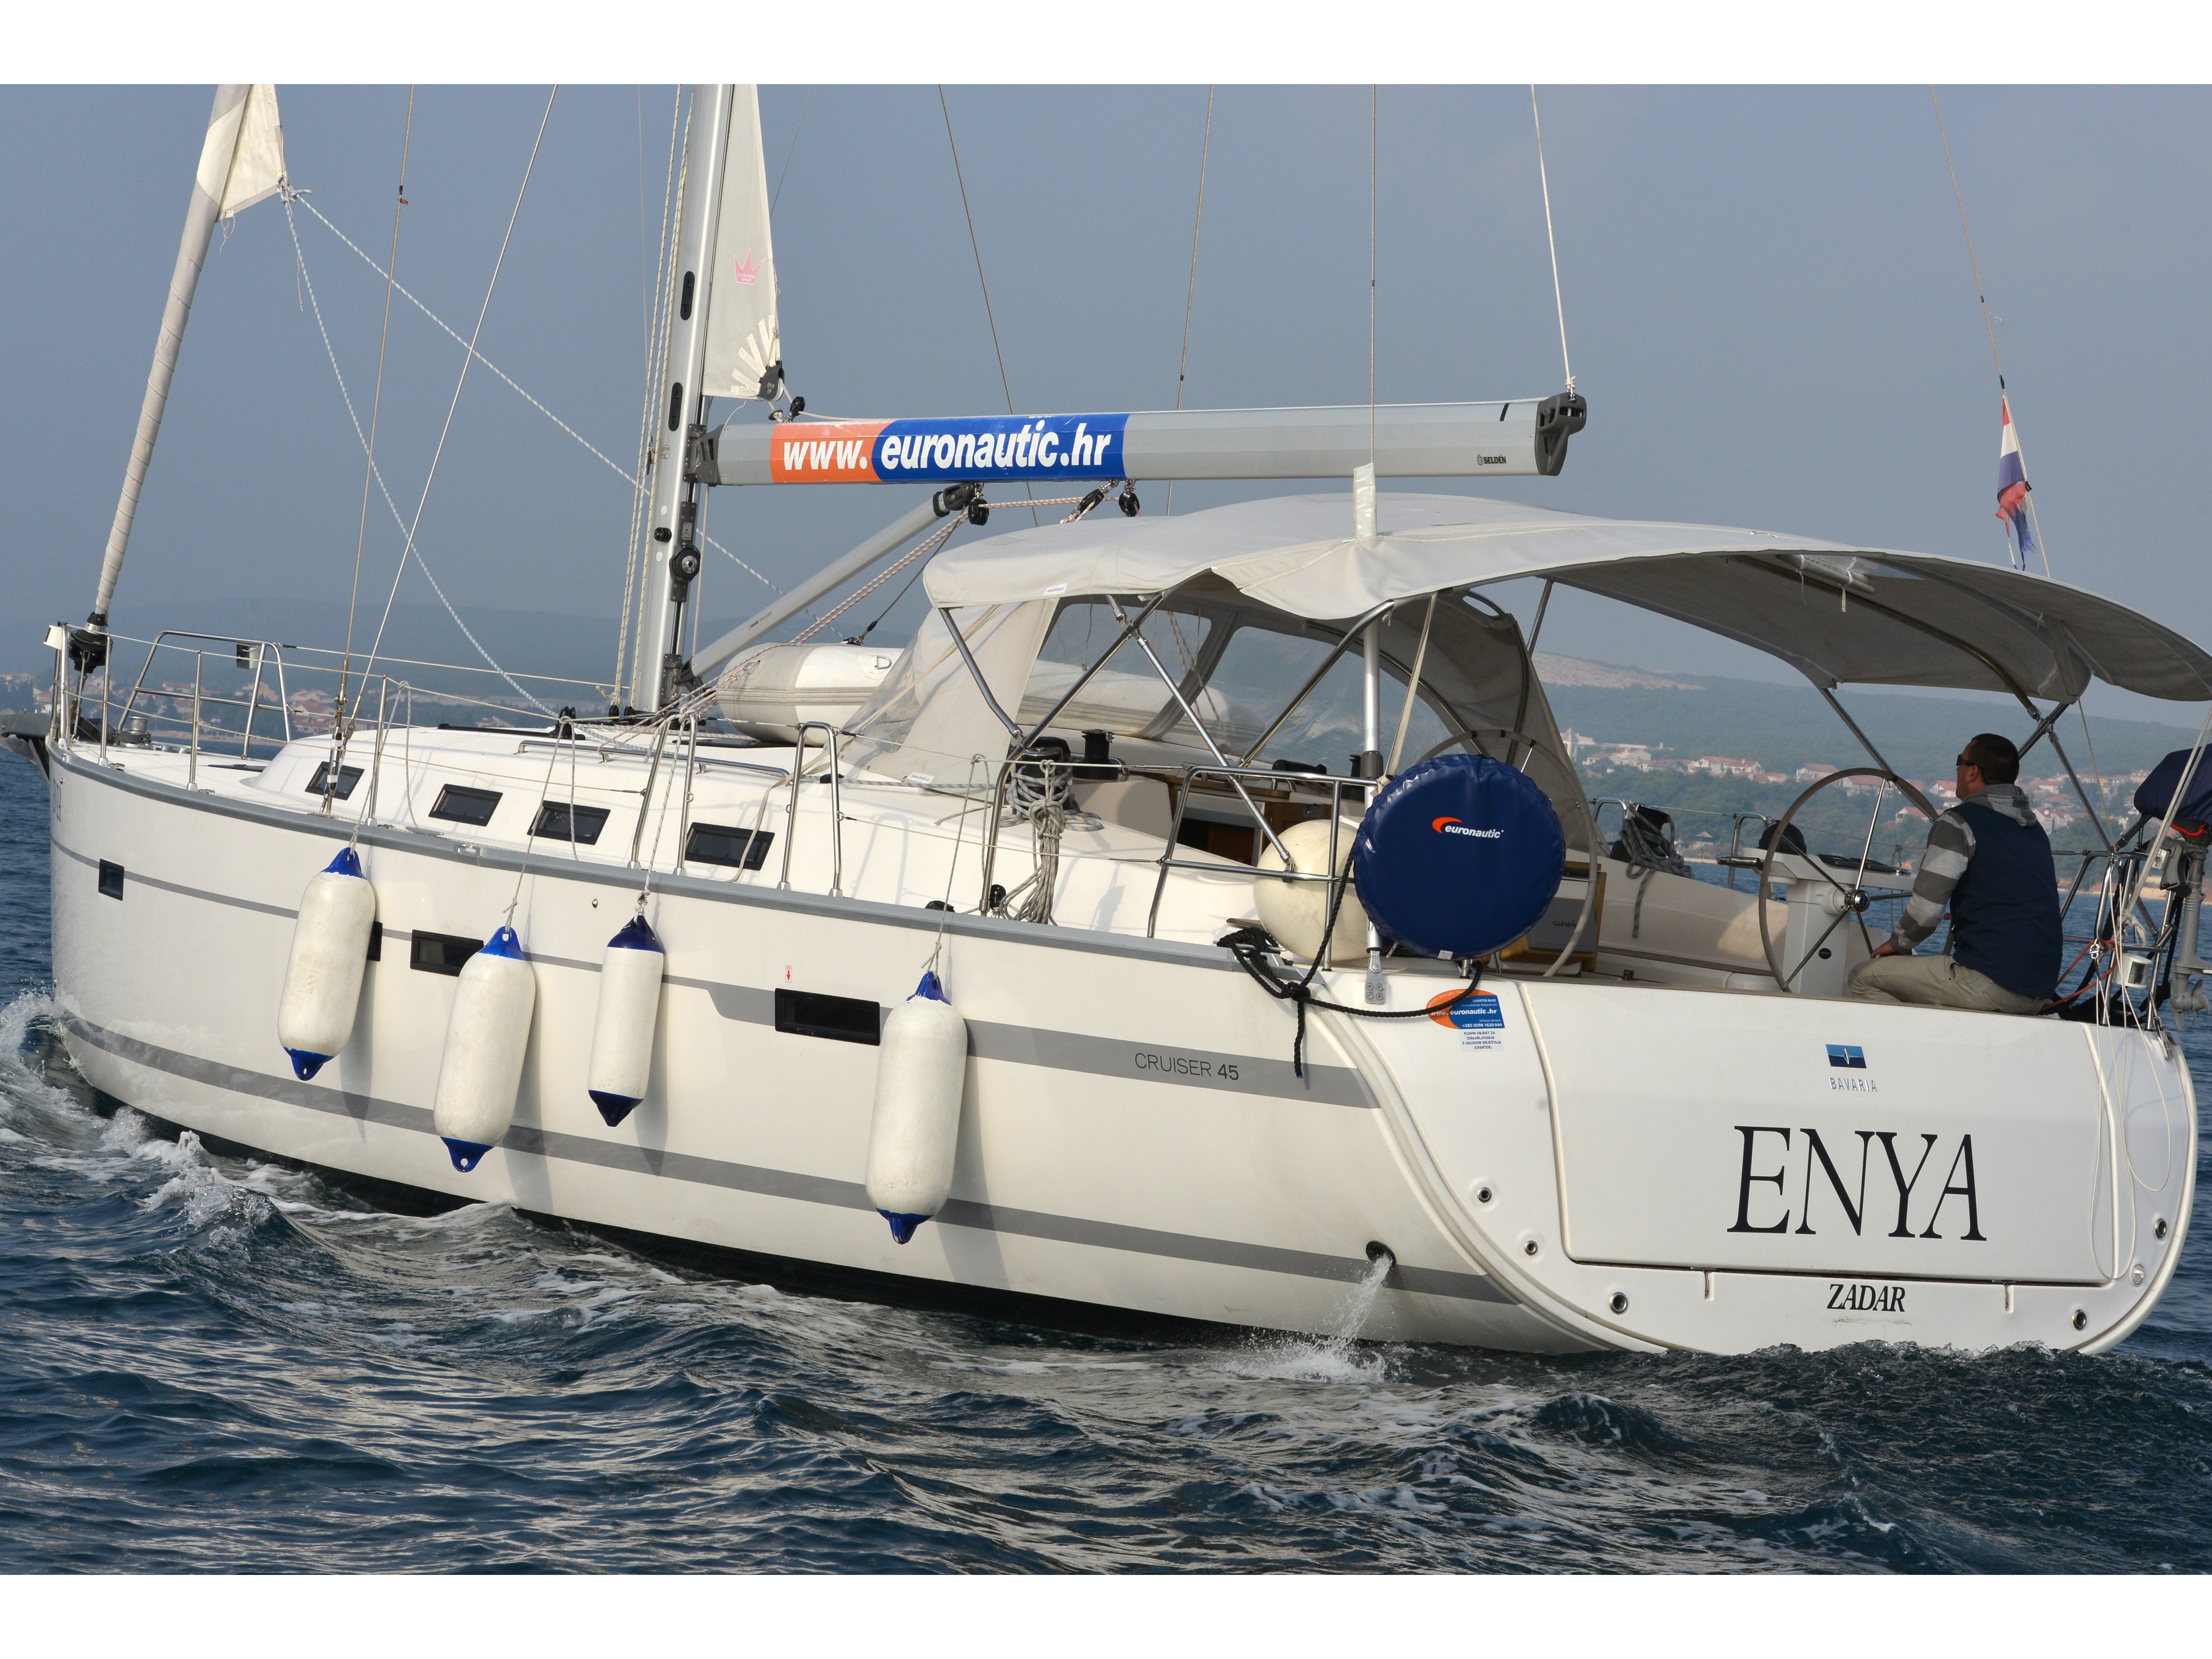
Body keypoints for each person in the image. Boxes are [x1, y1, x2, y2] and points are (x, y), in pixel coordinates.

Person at [1847, 732, 2060, 1012]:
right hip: (2039, 990)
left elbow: (1926, 912)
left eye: (1960, 761)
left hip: (1991, 981)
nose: (1957, 768)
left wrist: (1899, 944)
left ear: (1973, 772)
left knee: (1863, 978)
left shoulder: (1959, 823)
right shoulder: (2035, 831)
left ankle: (1916, 1042)